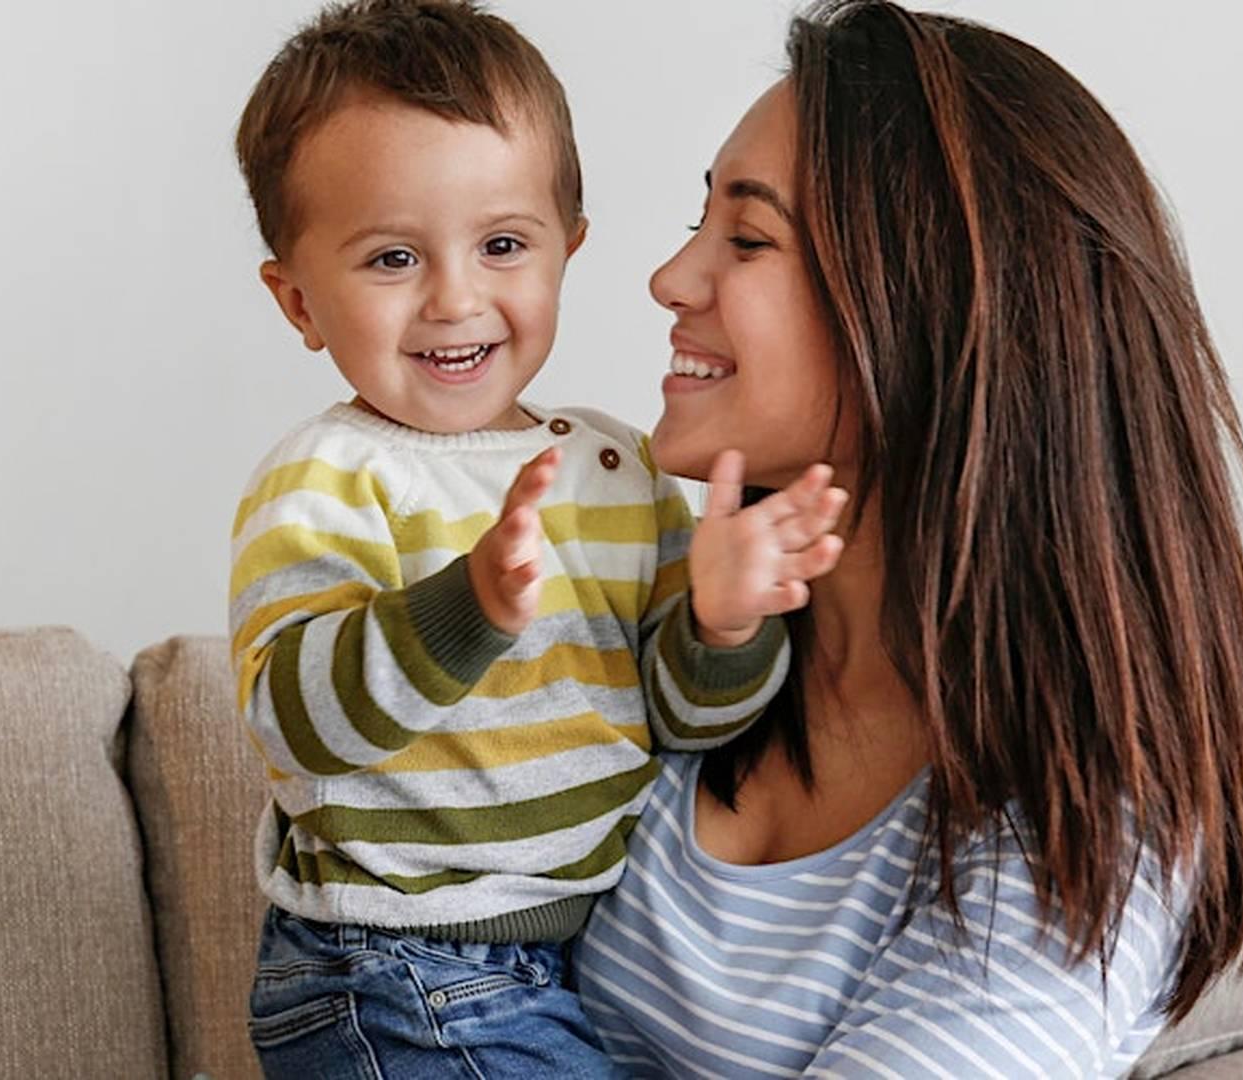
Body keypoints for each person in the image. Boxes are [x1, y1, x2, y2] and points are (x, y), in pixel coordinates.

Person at [574, 3, 1243, 1076]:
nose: (671, 281)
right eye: (698, 222)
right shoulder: (669, 622)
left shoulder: (1088, 815)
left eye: (748, 238)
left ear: (927, 310)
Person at [226, 2, 848, 1075]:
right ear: (298, 303)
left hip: (564, 964)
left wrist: (723, 618)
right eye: (390, 260)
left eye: (503, 245)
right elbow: (298, 722)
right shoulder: (328, 478)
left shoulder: (621, 470)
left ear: (569, 250)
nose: (456, 299)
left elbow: (680, 718)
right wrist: (465, 604)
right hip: (391, 970)